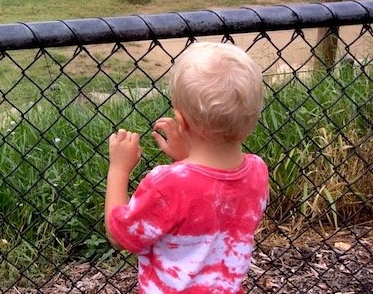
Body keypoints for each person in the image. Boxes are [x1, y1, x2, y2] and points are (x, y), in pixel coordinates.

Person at [104, 41, 269, 293]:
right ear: (254, 117)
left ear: (180, 119)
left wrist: (118, 169)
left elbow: (120, 236)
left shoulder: (167, 183)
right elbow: (210, 198)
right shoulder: (257, 172)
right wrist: (186, 158)